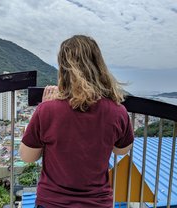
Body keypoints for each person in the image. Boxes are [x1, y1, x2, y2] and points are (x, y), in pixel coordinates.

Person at [19, 35, 134, 208]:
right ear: (99, 66)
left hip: (52, 202)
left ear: (64, 70)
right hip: (98, 203)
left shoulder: (47, 110)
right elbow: (121, 150)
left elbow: (27, 157)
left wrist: (43, 112)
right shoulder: (118, 112)